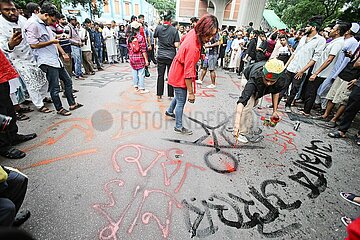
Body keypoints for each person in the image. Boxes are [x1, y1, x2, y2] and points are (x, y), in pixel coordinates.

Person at [24, 2, 83, 116]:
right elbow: (33, 44)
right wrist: (52, 41)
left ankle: (72, 103)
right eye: (53, 20)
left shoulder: (45, 25)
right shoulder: (32, 24)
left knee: (67, 80)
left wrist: (63, 53)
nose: (54, 23)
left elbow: (54, 42)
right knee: (54, 87)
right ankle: (59, 108)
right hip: (46, 60)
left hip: (55, 59)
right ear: (46, 15)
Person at [166, 14, 219, 135]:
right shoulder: (193, 47)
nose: (210, 38)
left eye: (212, 35)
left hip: (177, 69)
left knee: (178, 95)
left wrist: (188, 54)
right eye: (208, 34)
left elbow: (182, 40)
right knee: (181, 101)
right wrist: (191, 93)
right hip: (180, 73)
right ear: (202, 30)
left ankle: (169, 111)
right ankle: (178, 127)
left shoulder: (194, 32)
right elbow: (188, 73)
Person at [0, 0, 51, 114]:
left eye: (13, 9)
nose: (11, 13)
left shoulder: (23, 20)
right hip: (17, 58)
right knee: (30, 81)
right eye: (7, 10)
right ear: (1, 11)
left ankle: (42, 97)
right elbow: (3, 46)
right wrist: (11, 44)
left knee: (42, 78)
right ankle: (39, 104)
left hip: (31, 55)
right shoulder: (1, 25)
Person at [301, 22, 348, 116]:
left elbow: (329, 59)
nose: (330, 30)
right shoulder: (333, 41)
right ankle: (305, 109)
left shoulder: (339, 43)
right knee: (310, 89)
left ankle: (306, 111)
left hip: (321, 73)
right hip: (318, 70)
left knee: (311, 91)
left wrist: (316, 73)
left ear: (337, 31)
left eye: (333, 28)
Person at [233, 59, 285, 143]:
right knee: (248, 104)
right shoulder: (255, 78)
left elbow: (276, 92)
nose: (268, 83)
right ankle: (241, 132)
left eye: (272, 81)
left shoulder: (281, 79)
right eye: (267, 80)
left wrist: (275, 111)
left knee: (254, 102)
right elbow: (242, 101)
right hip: (247, 77)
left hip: (259, 86)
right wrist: (236, 124)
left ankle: (245, 122)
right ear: (263, 75)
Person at [282, 16, 326, 113]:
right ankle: (275, 104)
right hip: (291, 66)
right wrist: (286, 66)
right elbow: (295, 53)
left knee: (294, 89)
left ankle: (288, 105)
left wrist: (302, 71)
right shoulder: (303, 38)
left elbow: (315, 58)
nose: (305, 28)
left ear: (313, 28)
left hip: (301, 70)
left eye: (308, 26)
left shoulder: (320, 40)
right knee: (283, 85)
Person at [0, 49, 37, 159]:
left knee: (8, 108)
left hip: (2, 74)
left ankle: (12, 135)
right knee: (1, 114)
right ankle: (3, 146)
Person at [154, 11, 179, 100]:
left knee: (160, 75)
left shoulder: (158, 28)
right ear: (170, 19)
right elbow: (176, 45)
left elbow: (155, 36)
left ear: (163, 19)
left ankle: (159, 95)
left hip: (160, 55)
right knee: (170, 75)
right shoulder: (174, 30)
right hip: (171, 56)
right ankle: (170, 95)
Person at [127, 21, 150, 94]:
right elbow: (143, 50)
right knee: (141, 73)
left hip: (132, 58)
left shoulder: (128, 38)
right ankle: (142, 88)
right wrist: (146, 60)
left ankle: (136, 86)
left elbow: (128, 48)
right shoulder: (140, 37)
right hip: (139, 57)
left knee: (134, 72)